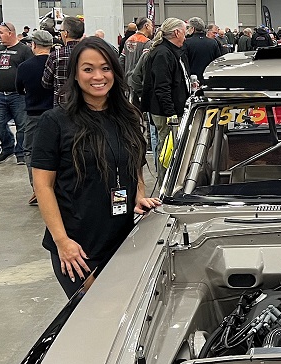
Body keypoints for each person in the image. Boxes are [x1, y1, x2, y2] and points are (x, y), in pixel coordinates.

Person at [32, 37, 160, 297]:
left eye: (105, 68)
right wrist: (62, 242)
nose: (98, 76)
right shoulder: (55, 122)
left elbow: (134, 163)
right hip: (77, 248)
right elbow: (43, 186)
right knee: (95, 316)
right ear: (75, 75)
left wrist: (138, 196)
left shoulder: (128, 117)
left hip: (123, 241)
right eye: (88, 69)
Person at [0, 22, 34, 164]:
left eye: (1, 33)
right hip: (0, 94)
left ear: (10, 33)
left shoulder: (24, 50)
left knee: (22, 126)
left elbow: (30, 71)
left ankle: (21, 152)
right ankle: (7, 147)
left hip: (19, 95)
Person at [141, 18, 189, 176]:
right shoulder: (163, 54)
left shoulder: (172, 51)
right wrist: (171, 114)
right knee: (167, 151)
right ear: (176, 32)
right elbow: (161, 87)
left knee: (173, 149)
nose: (186, 35)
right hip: (166, 113)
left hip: (173, 109)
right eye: (184, 31)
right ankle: (165, 185)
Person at [16, 29, 55, 206]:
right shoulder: (57, 63)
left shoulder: (25, 67)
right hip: (55, 114)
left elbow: (19, 89)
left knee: (31, 151)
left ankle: (38, 189)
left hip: (33, 114)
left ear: (34, 45)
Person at [43, 15, 84, 107]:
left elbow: (46, 83)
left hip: (62, 104)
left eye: (61, 31)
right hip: (84, 103)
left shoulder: (56, 55)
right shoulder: (88, 54)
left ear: (65, 33)